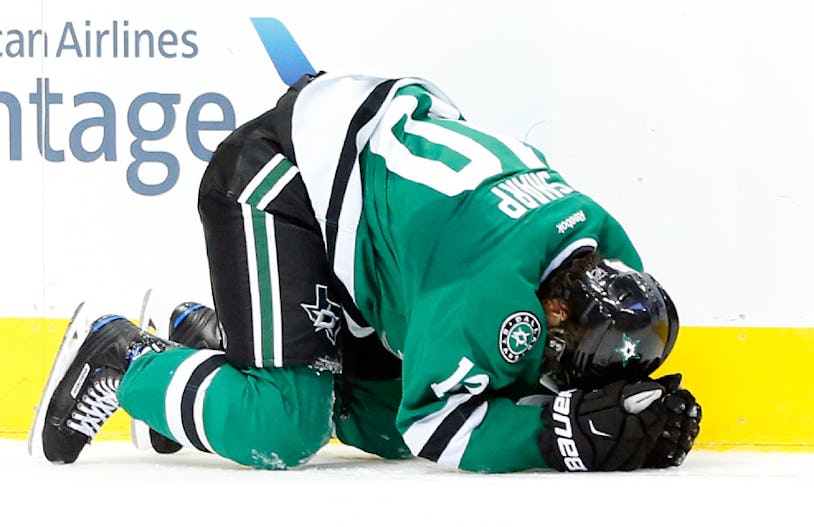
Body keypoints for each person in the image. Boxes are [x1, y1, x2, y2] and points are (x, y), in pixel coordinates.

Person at [28, 72, 701, 473]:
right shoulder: (487, 287)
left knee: (379, 420)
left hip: (370, 206)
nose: (551, 369)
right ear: (552, 312)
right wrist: (566, 435)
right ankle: (122, 355)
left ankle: (205, 349)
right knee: (285, 425)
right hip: (282, 177)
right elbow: (440, 427)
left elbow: (421, 414)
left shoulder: (603, 247)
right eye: (559, 357)